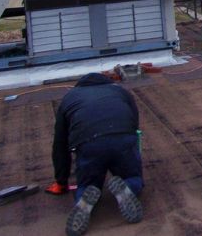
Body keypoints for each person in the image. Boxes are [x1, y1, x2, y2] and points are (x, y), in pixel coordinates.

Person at [49, 72, 144, 236]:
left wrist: (61, 181)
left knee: (87, 184)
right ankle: (128, 187)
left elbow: (60, 144)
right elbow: (134, 124)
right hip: (122, 137)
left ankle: (85, 198)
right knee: (134, 178)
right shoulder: (121, 91)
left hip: (88, 144)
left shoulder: (69, 98)